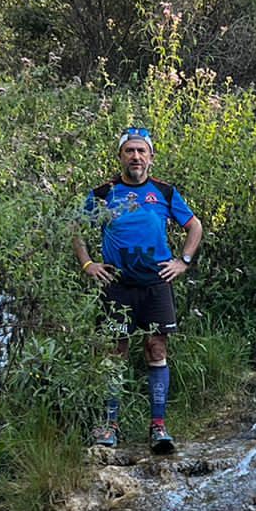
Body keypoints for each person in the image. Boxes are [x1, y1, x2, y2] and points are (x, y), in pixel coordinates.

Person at [73, 126, 206, 454]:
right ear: (120, 156)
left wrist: (183, 261)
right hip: (116, 286)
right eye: (129, 151)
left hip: (156, 285)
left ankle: (158, 426)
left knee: (156, 350)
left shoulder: (164, 191)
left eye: (141, 151)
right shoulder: (104, 193)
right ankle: (109, 424)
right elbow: (75, 228)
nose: (135, 156)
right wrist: (88, 264)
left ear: (151, 158)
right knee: (113, 355)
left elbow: (194, 226)